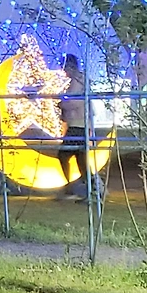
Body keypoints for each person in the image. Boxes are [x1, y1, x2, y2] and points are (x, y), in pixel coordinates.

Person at [58, 54, 91, 198]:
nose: (64, 71)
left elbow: (75, 101)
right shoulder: (79, 80)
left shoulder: (78, 81)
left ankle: (71, 188)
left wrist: (62, 104)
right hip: (80, 123)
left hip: (78, 124)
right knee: (80, 158)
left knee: (64, 154)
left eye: (65, 67)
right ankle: (92, 188)